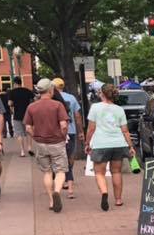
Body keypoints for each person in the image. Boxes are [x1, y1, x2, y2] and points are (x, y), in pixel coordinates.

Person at [85, 83, 135, 211]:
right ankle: (118, 200)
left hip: (101, 144)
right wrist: (130, 146)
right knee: (116, 172)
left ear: (102, 93)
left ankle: (104, 192)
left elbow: (91, 128)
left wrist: (87, 143)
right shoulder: (119, 109)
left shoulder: (95, 107)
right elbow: (125, 130)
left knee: (99, 172)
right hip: (118, 144)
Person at [24, 78, 69, 213]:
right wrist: (63, 136)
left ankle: (51, 200)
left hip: (41, 143)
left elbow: (28, 128)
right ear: (50, 90)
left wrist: (36, 137)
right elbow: (64, 125)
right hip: (57, 142)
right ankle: (57, 191)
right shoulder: (57, 105)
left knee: (47, 172)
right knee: (60, 171)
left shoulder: (32, 107)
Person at [51, 77, 85, 199]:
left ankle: (60, 179)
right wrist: (81, 131)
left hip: (56, 132)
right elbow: (77, 116)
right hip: (71, 131)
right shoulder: (71, 98)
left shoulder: (51, 98)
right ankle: (67, 177)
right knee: (70, 156)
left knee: (56, 157)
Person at [6, 76, 34, 156]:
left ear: (14, 83)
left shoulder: (12, 92)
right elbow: (33, 100)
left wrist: (13, 105)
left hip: (17, 115)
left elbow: (9, 103)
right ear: (21, 82)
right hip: (28, 115)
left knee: (19, 133)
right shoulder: (27, 90)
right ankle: (29, 148)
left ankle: (22, 151)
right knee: (28, 132)